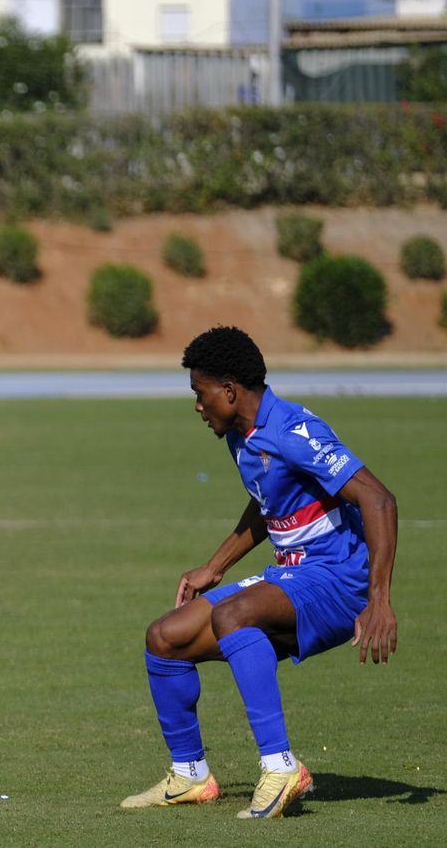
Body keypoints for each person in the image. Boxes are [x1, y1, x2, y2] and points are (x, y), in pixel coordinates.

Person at [122, 326, 398, 819]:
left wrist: (379, 598)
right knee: (164, 636)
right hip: (293, 575)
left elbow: (378, 499)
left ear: (229, 390)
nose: (197, 405)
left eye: (200, 393)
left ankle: (281, 765)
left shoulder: (293, 429)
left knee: (234, 616)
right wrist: (215, 565)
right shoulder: (240, 434)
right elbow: (267, 503)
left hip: (338, 580)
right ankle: (190, 775)